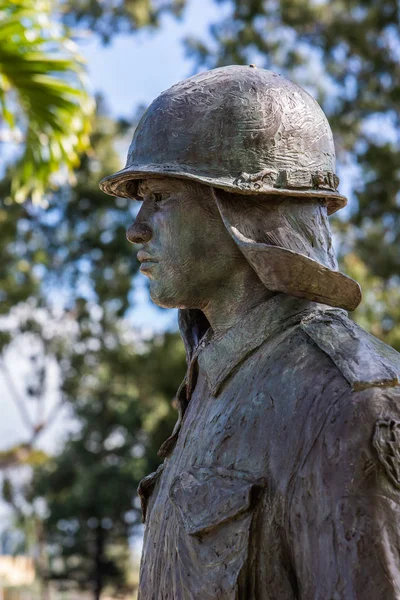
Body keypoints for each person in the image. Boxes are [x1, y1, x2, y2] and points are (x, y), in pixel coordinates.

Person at [100, 66, 400, 599]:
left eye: (162, 197)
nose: (135, 227)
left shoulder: (350, 405)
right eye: (138, 197)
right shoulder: (212, 381)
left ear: (247, 207)